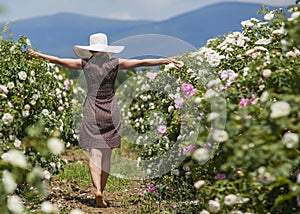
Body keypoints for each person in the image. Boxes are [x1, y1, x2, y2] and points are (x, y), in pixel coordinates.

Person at [29, 32, 182, 208]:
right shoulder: (115, 64)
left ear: (91, 51)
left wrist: (39, 55)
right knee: (107, 154)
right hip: (111, 109)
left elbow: (58, 60)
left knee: (94, 153)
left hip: (92, 110)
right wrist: (165, 60)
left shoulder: (85, 64)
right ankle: (102, 189)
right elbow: (142, 62)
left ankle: (97, 190)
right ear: (106, 50)